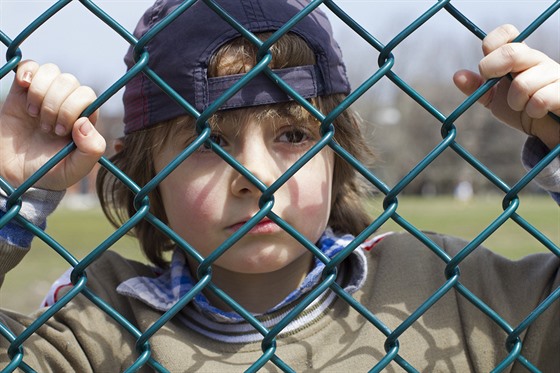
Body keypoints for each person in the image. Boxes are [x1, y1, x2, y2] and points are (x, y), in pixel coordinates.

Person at [0, 0, 559, 371]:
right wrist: (11, 191)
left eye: (292, 134)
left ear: (336, 158)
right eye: (209, 142)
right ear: (150, 175)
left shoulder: (452, 288)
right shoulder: (97, 325)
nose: (257, 177)